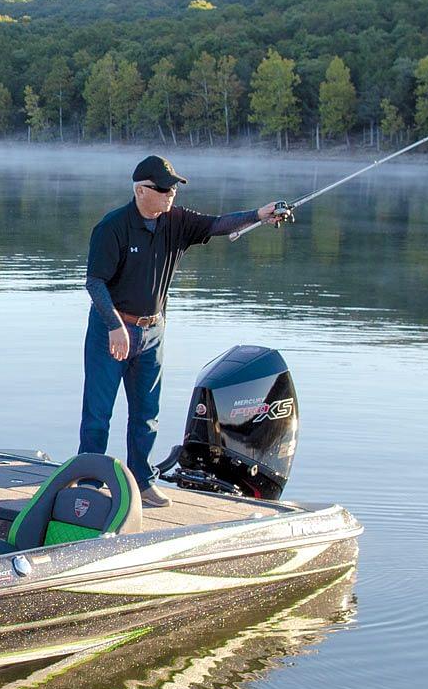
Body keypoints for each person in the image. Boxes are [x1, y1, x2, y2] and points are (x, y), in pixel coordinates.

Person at [81, 156, 289, 505]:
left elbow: (219, 224)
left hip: (152, 334)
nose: (171, 194)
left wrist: (259, 214)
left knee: (146, 413)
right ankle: (88, 482)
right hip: (111, 331)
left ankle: (142, 482)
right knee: (98, 414)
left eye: (174, 187)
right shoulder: (112, 227)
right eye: (164, 188)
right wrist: (115, 325)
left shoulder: (176, 221)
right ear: (142, 190)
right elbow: (95, 283)